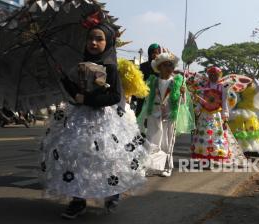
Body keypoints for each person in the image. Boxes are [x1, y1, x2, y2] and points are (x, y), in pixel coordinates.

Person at [40, 23, 149, 219]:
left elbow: (115, 96)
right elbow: (77, 93)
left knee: (106, 156)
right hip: (79, 118)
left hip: (104, 121)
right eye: (90, 38)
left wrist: (88, 99)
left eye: (99, 39)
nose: (93, 42)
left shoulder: (110, 67)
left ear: (107, 43)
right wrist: (66, 81)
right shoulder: (80, 65)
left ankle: (111, 192)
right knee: (74, 155)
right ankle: (78, 200)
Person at [138, 51, 194, 177]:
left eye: (170, 65)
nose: (168, 68)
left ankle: (166, 167)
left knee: (167, 142)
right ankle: (150, 166)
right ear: (159, 67)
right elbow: (147, 100)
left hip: (169, 115)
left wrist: (183, 93)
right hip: (154, 114)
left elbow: (183, 103)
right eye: (165, 65)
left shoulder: (177, 82)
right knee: (152, 140)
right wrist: (146, 115)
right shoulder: (153, 81)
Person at [190, 66, 233, 162]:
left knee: (215, 135)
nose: (213, 77)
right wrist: (197, 108)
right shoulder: (204, 86)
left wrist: (225, 114)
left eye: (215, 75)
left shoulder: (222, 87)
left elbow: (224, 101)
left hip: (216, 115)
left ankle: (215, 154)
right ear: (209, 75)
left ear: (219, 75)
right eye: (211, 75)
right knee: (203, 134)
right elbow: (201, 100)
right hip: (204, 114)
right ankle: (204, 155)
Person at [133, 43, 161, 116]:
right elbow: (138, 81)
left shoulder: (161, 68)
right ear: (149, 53)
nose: (155, 55)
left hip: (156, 98)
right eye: (153, 52)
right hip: (143, 98)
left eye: (158, 53)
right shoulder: (143, 66)